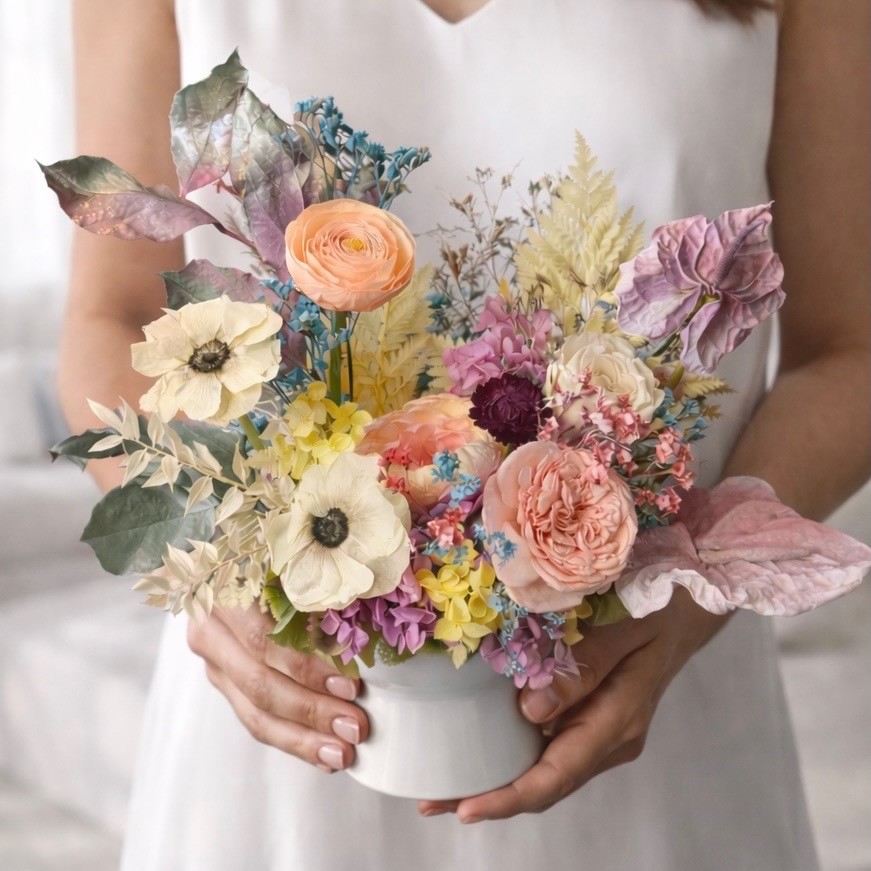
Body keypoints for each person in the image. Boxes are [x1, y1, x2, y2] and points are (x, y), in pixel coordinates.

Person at [63, 0, 870, 868]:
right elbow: (111, 319)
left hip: (655, 710)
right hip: (285, 733)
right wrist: (205, 557)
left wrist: (679, 607)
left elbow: (847, 351)